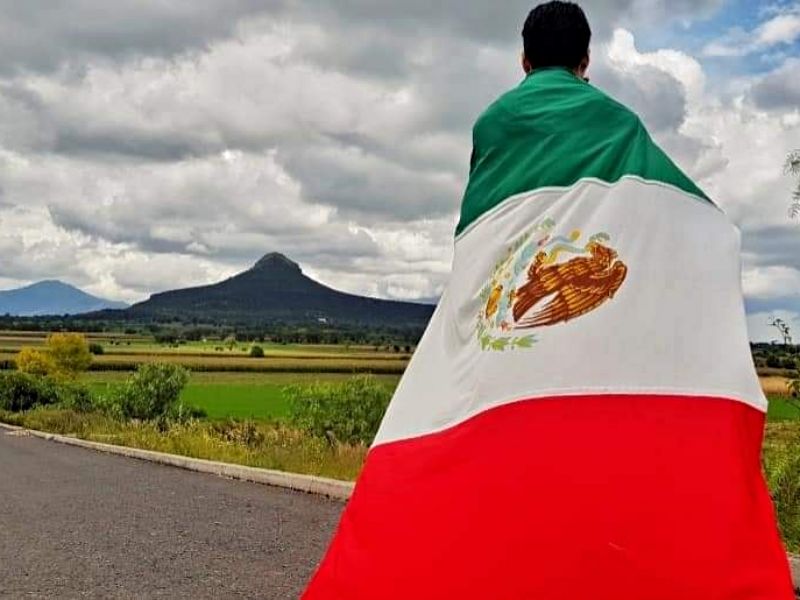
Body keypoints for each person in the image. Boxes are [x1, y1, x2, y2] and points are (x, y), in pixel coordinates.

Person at [302, 2, 795, 598]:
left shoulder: (492, 123)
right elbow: (652, 205)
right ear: (587, 61)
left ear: (524, 59)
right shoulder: (619, 122)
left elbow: (484, 228)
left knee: (485, 432)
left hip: (505, 308)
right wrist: (713, 236)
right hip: (584, 319)